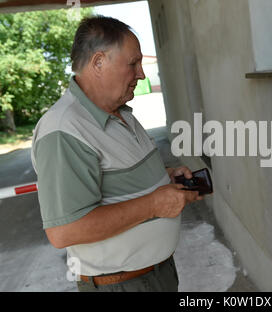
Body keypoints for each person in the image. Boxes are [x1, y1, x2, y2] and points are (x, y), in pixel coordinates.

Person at [31, 16, 202, 292]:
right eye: (133, 64)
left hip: (157, 274)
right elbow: (65, 231)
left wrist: (164, 179)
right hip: (121, 286)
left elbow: (117, 179)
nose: (142, 74)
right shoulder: (63, 130)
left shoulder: (121, 112)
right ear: (98, 62)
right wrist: (154, 204)